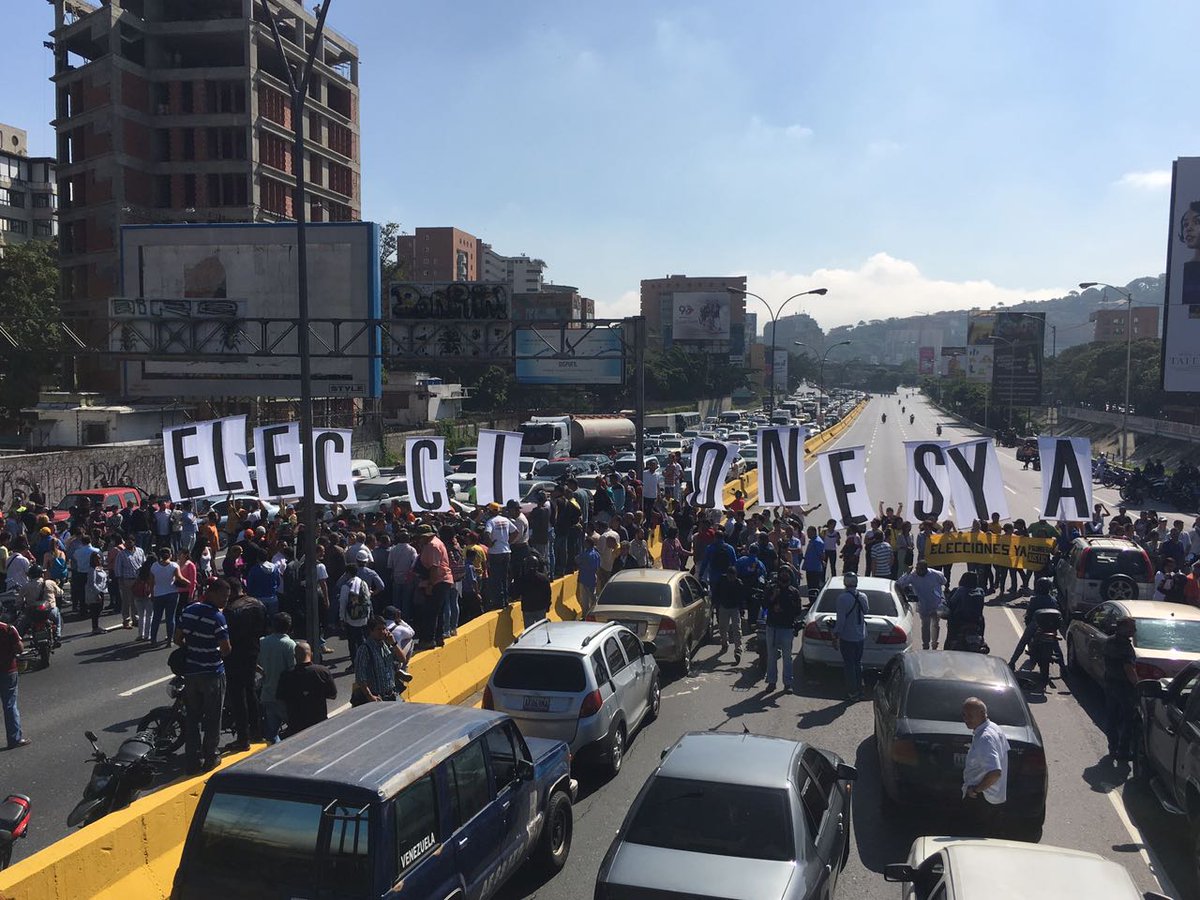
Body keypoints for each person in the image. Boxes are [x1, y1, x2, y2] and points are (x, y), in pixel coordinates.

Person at [174, 577, 232, 774]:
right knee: (213, 717)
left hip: (191, 672)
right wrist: (210, 649)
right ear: (212, 593)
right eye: (223, 596)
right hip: (213, 673)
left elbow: (177, 638)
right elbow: (226, 649)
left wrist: (193, 647)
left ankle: (192, 757)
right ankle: (210, 755)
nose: (225, 601)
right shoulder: (217, 618)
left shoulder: (189, 611)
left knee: (192, 717)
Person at [223, 582, 266, 752]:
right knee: (250, 692)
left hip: (234, 656)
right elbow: (263, 628)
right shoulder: (258, 604)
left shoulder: (231, 610)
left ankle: (243, 737)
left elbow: (226, 636)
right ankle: (256, 730)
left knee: (237, 697)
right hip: (252, 652)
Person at [961, 697, 1010, 835]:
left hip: (983, 800)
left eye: (970, 715)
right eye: (964, 715)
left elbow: (995, 772)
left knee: (973, 837)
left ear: (983, 713)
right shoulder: (994, 728)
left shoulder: (985, 738)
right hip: (994, 798)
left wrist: (975, 790)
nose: (966, 719)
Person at [276, 640, 337, 738]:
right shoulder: (322, 672)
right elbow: (333, 694)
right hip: (319, 723)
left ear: (295, 656)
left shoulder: (286, 676)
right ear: (311, 654)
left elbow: (280, 699)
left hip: (296, 726)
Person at [1102, 616, 1139, 762]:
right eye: (1131, 628)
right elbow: (1129, 669)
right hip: (1123, 687)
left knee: (1112, 717)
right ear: (1122, 628)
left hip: (1110, 684)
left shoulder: (1109, 641)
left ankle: (1112, 747)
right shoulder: (1124, 647)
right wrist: (1137, 685)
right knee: (1128, 719)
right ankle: (1123, 751)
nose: (1134, 630)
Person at [762, 565, 803, 692]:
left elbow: (797, 611)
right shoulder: (772, 588)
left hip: (787, 628)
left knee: (787, 657)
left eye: (787, 573)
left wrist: (785, 609)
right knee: (772, 656)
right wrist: (773, 597)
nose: (784, 575)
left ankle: (788, 683)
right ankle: (771, 682)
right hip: (773, 627)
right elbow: (764, 605)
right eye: (782, 573)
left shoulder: (793, 592)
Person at [258, 612, 296, 744]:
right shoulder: (290, 644)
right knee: (296, 729)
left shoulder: (262, 642)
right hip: (285, 696)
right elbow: (293, 669)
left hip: (267, 693)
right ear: (289, 628)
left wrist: (263, 672)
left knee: (272, 734)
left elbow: (254, 664)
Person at [1006, 577, 1060, 668]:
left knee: (1023, 641)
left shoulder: (1035, 600)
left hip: (1037, 624)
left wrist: (1028, 620)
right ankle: (1063, 667)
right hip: (1050, 626)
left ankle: (1012, 662)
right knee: (1056, 647)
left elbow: (1029, 614)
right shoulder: (1053, 600)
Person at [352, 615, 405, 704]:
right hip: (377, 698)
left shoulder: (386, 645)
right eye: (379, 629)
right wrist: (370, 696)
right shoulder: (365, 649)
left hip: (392, 695)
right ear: (371, 631)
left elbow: (402, 659)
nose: (382, 632)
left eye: (384, 629)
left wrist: (394, 643)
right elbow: (360, 677)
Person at [897, 559, 948, 650]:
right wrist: (907, 573)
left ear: (925, 569)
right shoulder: (913, 576)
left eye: (919, 569)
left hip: (936, 604)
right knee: (925, 626)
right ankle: (925, 645)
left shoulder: (935, 574)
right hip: (923, 606)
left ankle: (934, 644)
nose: (917, 570)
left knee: (935, 624)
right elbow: (900, 584)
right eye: (916, 568)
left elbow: (944, 581)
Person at [833, 572, 868, 701]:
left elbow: (841, 620)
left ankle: (852, 691)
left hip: (848, 636)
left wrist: (836, 634)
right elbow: (867, 609)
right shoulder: (863, 596)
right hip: (860, 635)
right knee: (858, 663)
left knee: (849, 665)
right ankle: (860, 689)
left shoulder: (842, 598)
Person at [149, 546, 188, 648]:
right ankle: (169, 641)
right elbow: (180, 578)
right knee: (170, 618)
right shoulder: (174, 566)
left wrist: (152, 594)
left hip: (158, 594)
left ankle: (153, 640)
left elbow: (151, 582)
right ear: (170, 555)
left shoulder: (154, 566)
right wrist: (189, 582)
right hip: (172, 593)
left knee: (156, 617)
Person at [0, 616, 28, 749]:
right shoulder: (8, 629)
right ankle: (14, 739)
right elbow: (20, 649)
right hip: (8, 670)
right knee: (10, 705)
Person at [338, 562, 372, 664]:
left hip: (351, 618)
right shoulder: (363, 583)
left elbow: (343, 604)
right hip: (363, 617)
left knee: (352, 642)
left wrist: (341, 618)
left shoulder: (346, 586)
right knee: (362, 639)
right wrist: (368, 614)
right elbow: (368, 599)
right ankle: (365, 659)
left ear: (347, 573)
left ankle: (355, 662)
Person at [713, 566, 743, 662]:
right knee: (722, 627)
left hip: (734, 608)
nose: (731, 579)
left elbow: (741, 598)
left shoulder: (738, 583)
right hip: (723, 607)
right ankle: (724, 642)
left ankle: (738, 648)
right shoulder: (722, 581)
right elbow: (716, 593)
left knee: (736, 628)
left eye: (733, 577)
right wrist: (716, 604)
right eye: (730, 577)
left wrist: (741, 609)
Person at [84, 550, 109, 635]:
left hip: (101, 590)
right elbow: (92, 583)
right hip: (95, 592)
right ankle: (95, 627)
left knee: (99, 609)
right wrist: (97, 593)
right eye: (97, 559)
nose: (100, 560)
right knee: (95, 610)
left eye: (100, 559)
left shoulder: (99, 568)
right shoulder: (92, 570)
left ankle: (96, 626)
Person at [576, 536, 601, 616]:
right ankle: (594, 612)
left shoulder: (585, 554)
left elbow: (577, 560)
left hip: (584, 578)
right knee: (593, 597)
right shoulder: (597, 554)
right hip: (593, 578)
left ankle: (585, 614)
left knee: (584, 599)